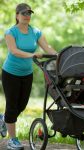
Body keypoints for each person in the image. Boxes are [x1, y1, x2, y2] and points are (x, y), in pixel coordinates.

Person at [2, 3, 57, 150]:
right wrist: (32, 55)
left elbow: (47, 48)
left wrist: (59, 56)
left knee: (22, 105)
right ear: (17, 15)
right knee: (12, 106)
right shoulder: (10, 32)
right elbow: (14, 51)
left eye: (29, 13)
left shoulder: (36, 32)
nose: (27, 16)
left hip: (27, 73)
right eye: (24, 13)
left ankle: (4, 119)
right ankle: (12, 140)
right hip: (10, 73)